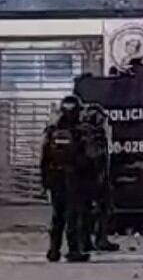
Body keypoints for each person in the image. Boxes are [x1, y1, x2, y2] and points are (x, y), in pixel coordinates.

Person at [39, 96, 91, 263]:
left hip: (55, 178)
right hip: (74, 178)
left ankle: (54, 251)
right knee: (72, 216)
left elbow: (44, 157)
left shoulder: (52, 130)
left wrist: (44, 181)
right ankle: (74, 251)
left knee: (57, 215)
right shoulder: (81, 131)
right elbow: (89, 158)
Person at [80, 103, 119, 253]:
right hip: (95, 178)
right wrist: (102, 178)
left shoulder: (80, 133)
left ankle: (86, 241)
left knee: (85, 212)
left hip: (81, 180)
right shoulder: (96, 135)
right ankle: (100, 239)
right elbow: (98, 158)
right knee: (103, 209)